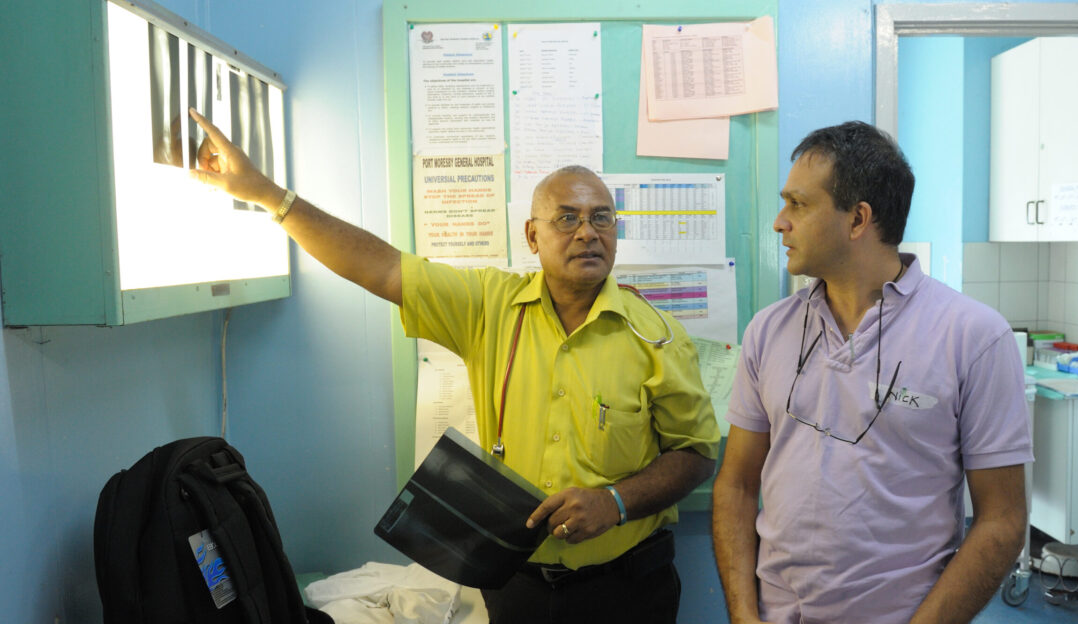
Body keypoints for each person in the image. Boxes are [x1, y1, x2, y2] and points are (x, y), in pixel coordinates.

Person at [186, 109, 720, 624]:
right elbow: (380, 267)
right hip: (517, 587)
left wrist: (615, 502)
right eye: (567, 218)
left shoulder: (656, 336)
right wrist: (267, 196)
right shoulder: (486, 306)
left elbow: (695, 455)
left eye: (601, 217)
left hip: (627, 589)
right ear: (533, 236)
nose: (587, 232)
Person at [711, 121, 1031, 624]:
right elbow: (736, 485)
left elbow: (1002, 520)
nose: (779, 222)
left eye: (799, 204)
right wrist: (744, 614)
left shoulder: (973, 336)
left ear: (858, 219)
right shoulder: (768, 331)